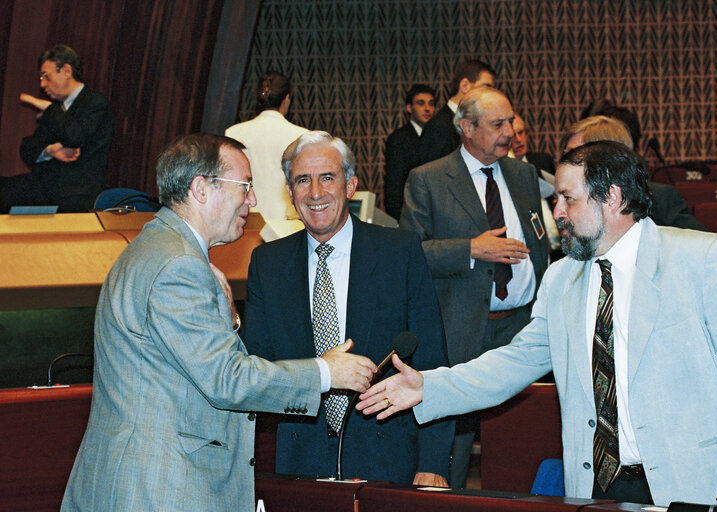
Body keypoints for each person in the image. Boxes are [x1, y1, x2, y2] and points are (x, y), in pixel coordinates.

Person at [359, 141, 717, 508]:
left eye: (567, 199)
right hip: (598, 487)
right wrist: (430, 386)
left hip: (695, 483)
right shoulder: (561, 278)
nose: (556, 213)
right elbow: (515, 362)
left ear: (613, 199)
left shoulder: (699, 258)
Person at [62, 134, 377, 511]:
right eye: (244, 186)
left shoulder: (156, 248)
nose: (253, 200)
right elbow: (227, 380)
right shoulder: (179, 265)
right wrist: (326, 373)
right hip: (158, 489)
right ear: (200, 189)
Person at [245, 131, 453, 486]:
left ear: (351, 184)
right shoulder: (268, 263)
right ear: (290, 192)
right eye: (302, 180)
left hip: (386, 461)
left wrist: (433, 462)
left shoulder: (399, 253)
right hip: (298, 463)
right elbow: (256, 369)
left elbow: (433, 363)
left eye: (327, 177)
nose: (315, 193)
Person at [399, 86, 549, 487]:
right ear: (467, 128)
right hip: (463, 327)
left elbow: (537, 237)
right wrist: (470, 249)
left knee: (522, 436)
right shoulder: (428, 179)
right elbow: (410, 256)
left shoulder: (523, 173)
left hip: (521, 325)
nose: (510, 131)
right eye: (497, 124)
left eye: (511, 121)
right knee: (457, 434)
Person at [1, 44, 113, 213]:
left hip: (76, 193)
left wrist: (49, 109)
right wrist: (49, 151)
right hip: (48, 188)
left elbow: (75, 136)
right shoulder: (56, 110)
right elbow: (27, 148)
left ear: (67, 71)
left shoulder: (95, 103)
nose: (43, 85)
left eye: (46, 76)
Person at [565, 115, 706, 231]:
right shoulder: (566, 202)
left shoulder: (659, 199)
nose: (564, 162)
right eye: (566, 154)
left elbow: (701, 246)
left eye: (574, 154)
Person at [225, 70, 307, 220]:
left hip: (246, 223)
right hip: (288, 226)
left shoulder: (233, 134)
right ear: (287, 99)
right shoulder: (302, 137)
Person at [417, 59, 496, 165]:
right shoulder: (438, 126)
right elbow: (433, 175)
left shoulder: (474, 122)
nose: (490, 94)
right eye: (486, 87)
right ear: (464, 86)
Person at [510, 113, 561, 256]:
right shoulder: (503, 171)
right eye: (513, 135)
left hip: (558, 246)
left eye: (521, 133)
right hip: (526, 249)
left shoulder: (542, 161)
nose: (518, 140)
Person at [384, 84, 436, 219]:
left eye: (431, 104)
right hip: (407, 212)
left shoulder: (438, 137)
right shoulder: (398, 139)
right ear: (409, 108)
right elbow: (394, 184)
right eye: (421, 103)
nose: (427, 108)